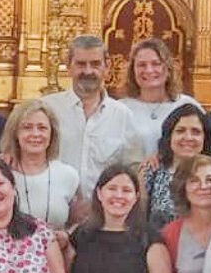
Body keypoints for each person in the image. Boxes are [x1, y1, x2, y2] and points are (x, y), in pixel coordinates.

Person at [41, 35, 140, 196]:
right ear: (68, 66)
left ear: (107, 66)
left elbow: (132, 172)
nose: (88, 71)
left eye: (95, 64)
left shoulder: (123, 116)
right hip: (52, 210)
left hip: (104, 214)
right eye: (81, 64)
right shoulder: (47, 109)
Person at [0, 99, 79, 232]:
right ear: (15, 133)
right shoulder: (0, 174)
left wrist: (66, 236)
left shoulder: (68, 175)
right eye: (27, 127)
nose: (35, 134)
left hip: (55, 251)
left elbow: (76, 223)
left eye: (42, 128)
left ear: (52, 133)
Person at [118, 36, 201, 162]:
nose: (149, 70)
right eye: (141, 65)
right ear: (132, 71)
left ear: (168, 69)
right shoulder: (120, 109)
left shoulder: (186, 106)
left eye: (156, 64)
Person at [140, 103, 211, 229]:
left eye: (196, 132)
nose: (188, 137)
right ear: (169, 136)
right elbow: (138, 220)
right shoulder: (152, 172)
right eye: (180, 131)